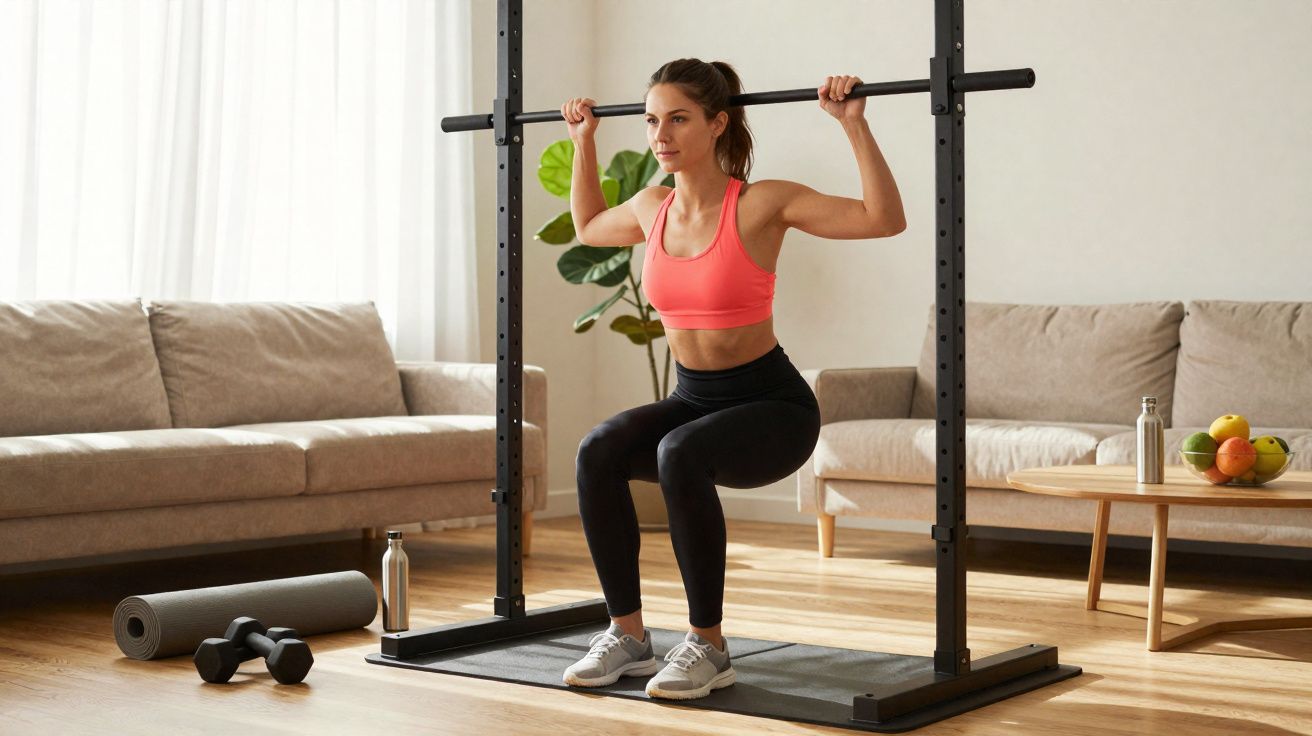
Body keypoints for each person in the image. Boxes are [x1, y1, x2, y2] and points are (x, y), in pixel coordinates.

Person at [559, 58, 906, 700]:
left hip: (774, 409)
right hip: (694, 399)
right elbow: (587, 228)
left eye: (679, 119)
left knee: (679, 451)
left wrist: (853, 126)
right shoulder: (650, 207)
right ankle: (629, 636)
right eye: (652, 121)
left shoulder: (762, 203)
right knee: (598, 450)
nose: (661, 135)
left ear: (719, 123)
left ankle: (709, 647)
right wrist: (585, 144)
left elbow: (883, 218)